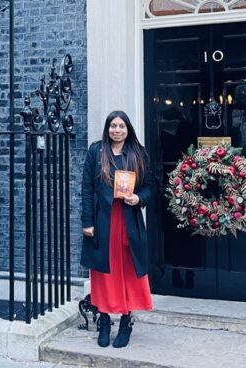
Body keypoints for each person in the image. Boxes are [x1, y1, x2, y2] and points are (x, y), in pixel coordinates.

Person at [81, 110, 154, 348]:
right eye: (113, 125)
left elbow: (150, 187)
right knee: (103, 273)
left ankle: (125, 321)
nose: (117, 130)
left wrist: (138, 199)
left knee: (127, 272)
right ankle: (103, 320)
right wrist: (87, 222)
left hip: (128, 222)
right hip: (102, 222)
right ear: (107, 128)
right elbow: (86, 189)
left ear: (128, 129)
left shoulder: (138, 153)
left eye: (121, 126)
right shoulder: (96, 151)